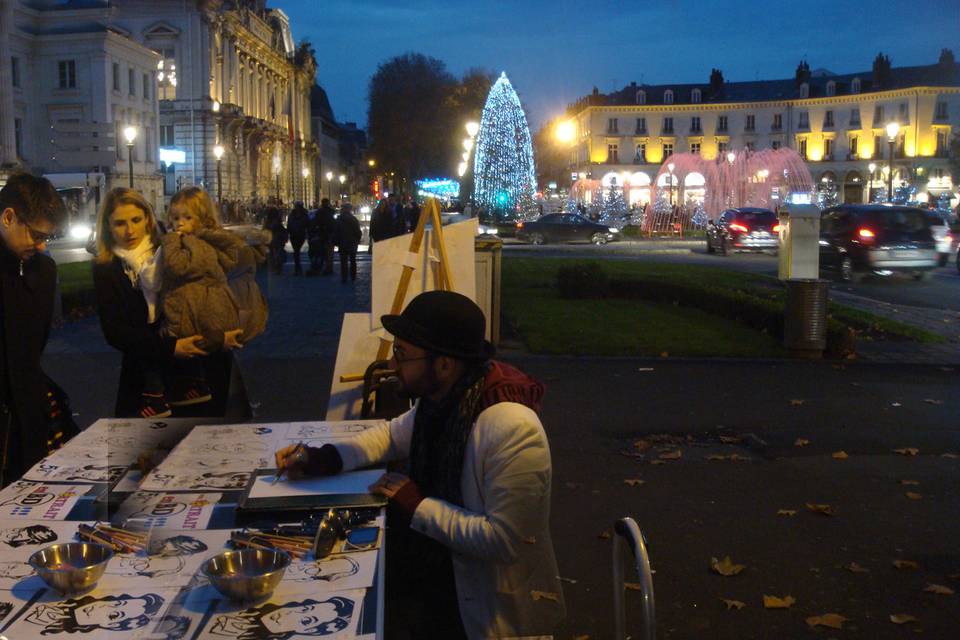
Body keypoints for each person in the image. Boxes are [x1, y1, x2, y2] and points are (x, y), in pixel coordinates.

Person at [275, 291, 565, 639]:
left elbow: (503, 541)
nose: (393, 364)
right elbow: (389, 437)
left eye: (402, 354)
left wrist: (416, 504)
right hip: (430, 566)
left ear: (444, 363)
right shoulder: (443, 400)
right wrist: (324, 457)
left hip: (475, 603)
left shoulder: (509, 427)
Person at [93, 188, 242, 419]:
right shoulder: (107, 266)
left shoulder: (172, 247)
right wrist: (170, 348)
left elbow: (212, 293)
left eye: (136, 220)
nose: (129, 230)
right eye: (120, 223)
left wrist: (219, 336)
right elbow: (115, 331)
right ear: (107, 227)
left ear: (148, 219)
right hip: (146, 377)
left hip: (202, 365)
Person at [0, 174, 68, 486]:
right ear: (8, 217)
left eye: (47, 238)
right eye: (36, 234)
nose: (41, 245)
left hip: (28, 416)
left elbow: (32, 349)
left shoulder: (44, 270)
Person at [334, 203, 362, 283]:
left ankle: (344, 277)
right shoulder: (353, 219)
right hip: (352, 242)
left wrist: (336, 241)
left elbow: (336, 231)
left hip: (342, 242)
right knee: (353, 260)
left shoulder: (339, 219)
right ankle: (353, 276)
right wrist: (357, 240)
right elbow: (358, 231)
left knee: (343, 261)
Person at [307, 198, 336, 276]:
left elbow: (315, 223)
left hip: (322, 235)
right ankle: (328, 268)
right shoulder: (330, 212)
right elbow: (333, 224)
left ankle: (322, 268)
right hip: (327, 235)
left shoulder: (319, 212)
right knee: (328, 254)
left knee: (321, 253)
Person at [286, 201, 309, 275]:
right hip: (294, 235)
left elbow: (307, 224)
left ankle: (298, 269)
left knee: (296, 251)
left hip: (300, 235)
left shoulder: (304, 214)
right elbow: (289, 224)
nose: (297, 207)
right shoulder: (292, 215)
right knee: (296, 252)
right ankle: (298, 268)